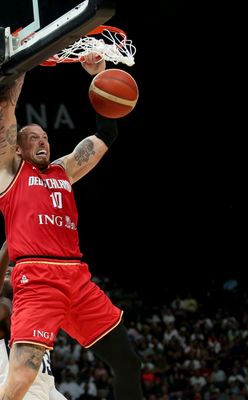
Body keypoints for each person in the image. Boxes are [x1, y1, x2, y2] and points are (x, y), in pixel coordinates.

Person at [0, 57, 143, 399]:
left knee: (129, 363)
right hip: (37, 278)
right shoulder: (10, 175)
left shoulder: (65, 170)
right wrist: (19, 67)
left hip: (77, 279)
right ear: (17, 149)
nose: (42, 141)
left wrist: (101, 73)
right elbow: (5, 108)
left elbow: (106, 133)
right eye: (33, 137)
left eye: (45, 136)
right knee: (21, 376)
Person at [0, 242, 67, 399]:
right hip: (15, 388)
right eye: (6, 273)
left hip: (46, 386)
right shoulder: (5, 307)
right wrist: (12, 238)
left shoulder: (33, 307)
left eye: (13, 271)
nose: (10, 269)